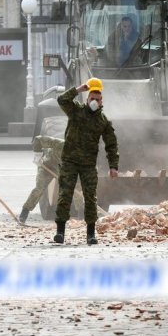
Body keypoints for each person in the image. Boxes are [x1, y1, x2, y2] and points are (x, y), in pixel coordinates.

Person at [54, 78, 119, 245]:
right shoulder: (75, 110)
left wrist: (113, 166)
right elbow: (61, 100)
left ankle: (91, 233)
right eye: (92, 99)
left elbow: (111, 144)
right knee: (65, 196)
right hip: (69, 161)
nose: (95, 102)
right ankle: (60, 231)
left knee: (90, 198)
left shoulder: (103, 121)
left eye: (98, 99)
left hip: (88, 165)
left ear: (101, 101)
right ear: (87, 99)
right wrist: (78, 89)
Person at [19, 135, 99, 223]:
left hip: (62, 171)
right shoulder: (60, 144)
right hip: (47, 166)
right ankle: (25, 212)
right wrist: (38, 155)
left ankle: (81, 216)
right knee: (39, 188)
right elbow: (38, 140)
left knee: (77, 189)